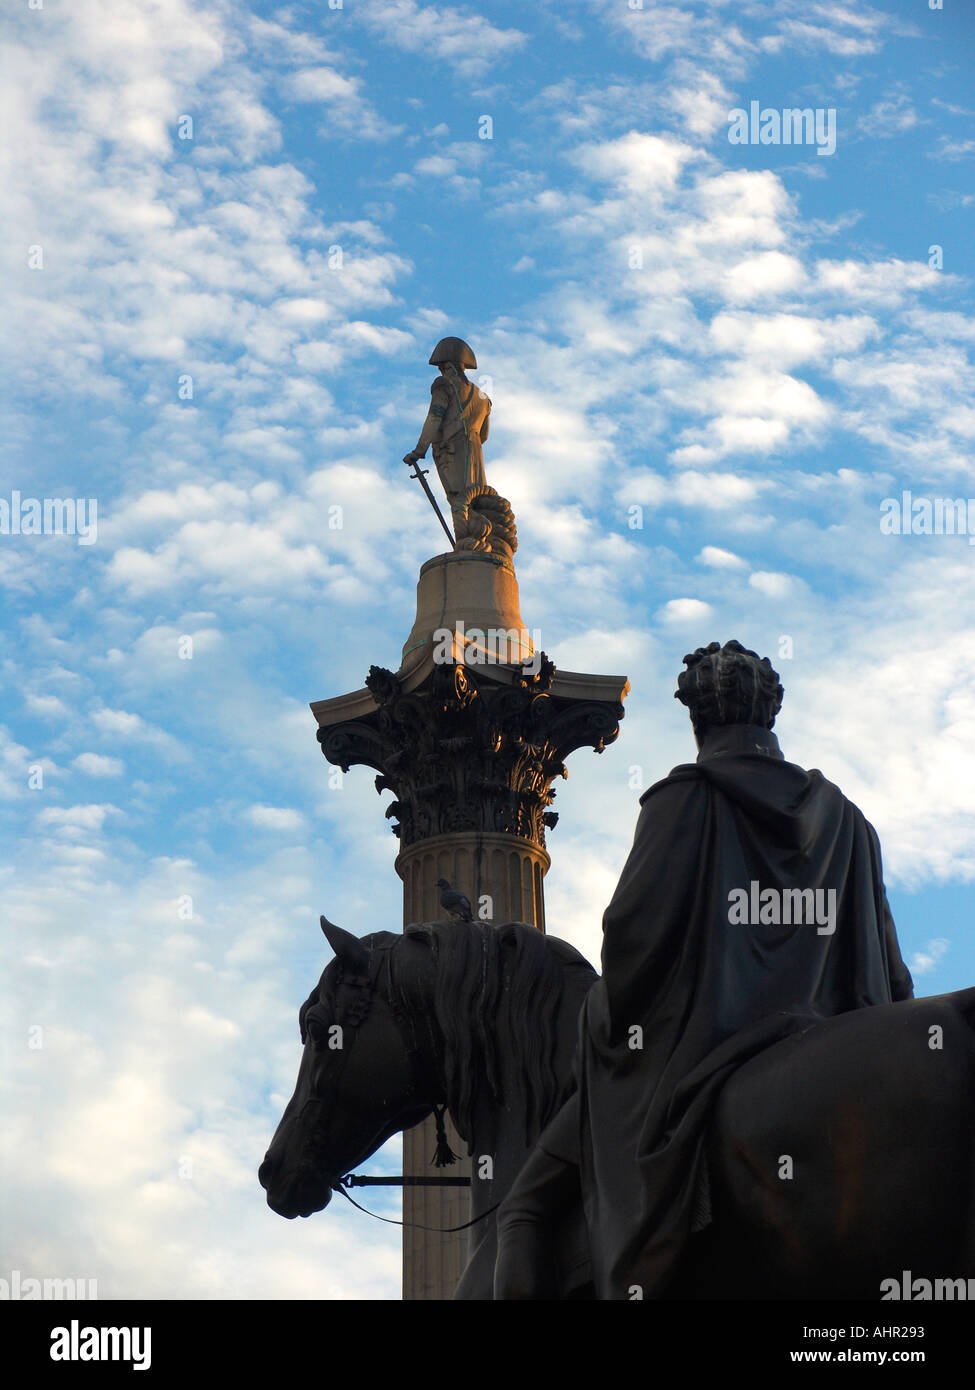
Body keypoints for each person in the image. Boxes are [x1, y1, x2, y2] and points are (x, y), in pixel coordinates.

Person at [494, 640, 914, 1300]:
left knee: (521, 1208)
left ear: (697, 719)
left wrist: (601, 1024)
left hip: (694, 1058)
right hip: (832, 1042)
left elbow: (631, 941)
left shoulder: (683, 797)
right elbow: (892, 982)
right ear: (770, 713)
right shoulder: (849, 824)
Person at [403, 336, 491, 526]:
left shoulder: (443, 385)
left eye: (442, 368)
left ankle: (466, 539)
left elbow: (434, 417)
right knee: (476, 499)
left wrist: (419, 451)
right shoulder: (483, 397)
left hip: (450, 450)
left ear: (449, 366)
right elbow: (484, 435)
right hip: (475, 452)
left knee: (459, 499)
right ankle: (480, 537)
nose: (441, 372)